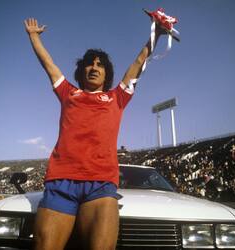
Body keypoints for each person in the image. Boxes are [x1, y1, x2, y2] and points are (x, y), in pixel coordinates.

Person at [24, 18, 165, 250]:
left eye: (100, 65)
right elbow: (48, 64)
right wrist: (34, 36)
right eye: (90, 64)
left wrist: (156, 33)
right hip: (61, 181)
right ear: (82, 71)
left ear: (106, 73)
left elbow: (140, 60)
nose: (94, 67)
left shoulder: (117, 97)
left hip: (100, 183)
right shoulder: (68, 92)